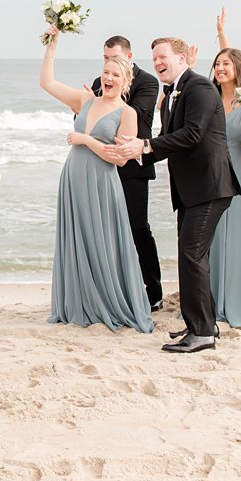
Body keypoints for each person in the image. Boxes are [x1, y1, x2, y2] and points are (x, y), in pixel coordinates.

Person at [117, 38, 240, 354]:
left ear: (183, 58)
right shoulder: (172, 92)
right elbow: (169, 138)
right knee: (195, 256)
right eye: (154, 57)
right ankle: (203, 323)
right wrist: (138, 151)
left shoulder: (198, 87)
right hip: (190, 190)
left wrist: (145, 146)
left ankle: (202, 334)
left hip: (209, 187)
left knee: (191, 254)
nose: (157, 62)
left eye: (163, 56)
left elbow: (192, 134)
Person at [41, 27, 153, 332]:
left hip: (102, 184)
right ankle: (79, 302)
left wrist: (84, 140)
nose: (109, 77)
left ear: (125, 80)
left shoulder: (127, 113)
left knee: (102, 242)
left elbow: (118, 158)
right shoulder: (85, 100)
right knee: (76, 240)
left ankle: (108, 301)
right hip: (73, 179)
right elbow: (47, 82)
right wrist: (52, 44)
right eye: (106, 71)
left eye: (116, 73)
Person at [96, 35, 163, 310]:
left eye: (116, 58)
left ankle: (154, 290)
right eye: (105, 59)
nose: (110, 65)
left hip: (134, 167)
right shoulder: (100, 81)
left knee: (138, 228)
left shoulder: (147, 82)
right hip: (104, 165)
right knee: (108, 230)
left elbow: (133, 114)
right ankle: (117, 287)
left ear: (129, 57)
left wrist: (100, 105)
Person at [208, 48, 241, 328]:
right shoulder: (207, 98)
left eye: (226, 63)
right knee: (212, 236)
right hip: (210, 172)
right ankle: (211, 301)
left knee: (239, 237)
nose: (220, 68)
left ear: (238, 67)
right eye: (217, 63)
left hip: (239, 170)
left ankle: (238, 300)